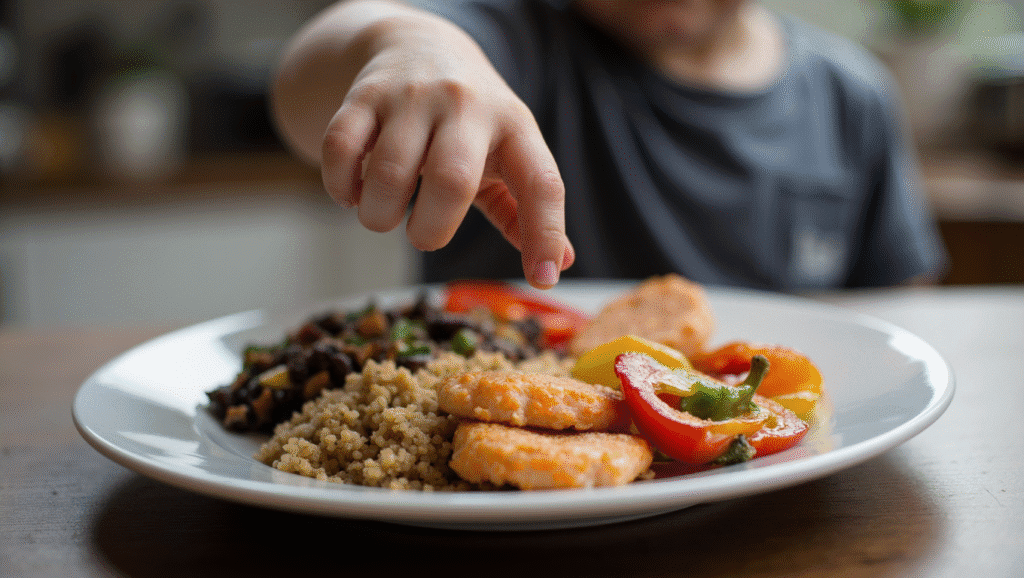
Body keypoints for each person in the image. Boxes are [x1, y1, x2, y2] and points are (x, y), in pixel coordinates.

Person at [271, 0, 947, 291]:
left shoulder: (852, 96)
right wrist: (412, 49)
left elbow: (897, 307)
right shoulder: (519, 39)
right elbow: (311, 76)